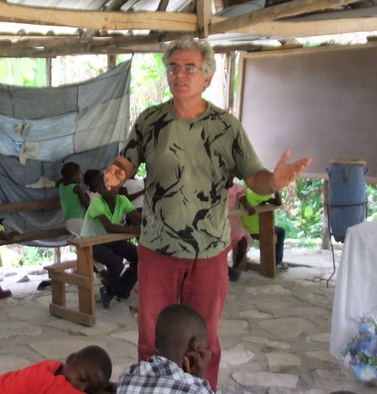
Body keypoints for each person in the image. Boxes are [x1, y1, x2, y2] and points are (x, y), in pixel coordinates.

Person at [103, 38, 311, 390]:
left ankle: (201, 389)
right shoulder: (150, 120)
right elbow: (128, 159)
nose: (179, 74)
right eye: (173, 67)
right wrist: (118, 171)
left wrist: (273, 180)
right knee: (152, 335)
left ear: (207, 78)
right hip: (157, 248)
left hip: (209, 250)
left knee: (204, 339)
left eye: (189, 68)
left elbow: (254, 177)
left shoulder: (226, 127)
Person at [117, 304, 213, 394]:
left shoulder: (128, 375)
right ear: (195, 345)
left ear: (155, 343)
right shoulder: (197, 390)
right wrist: (200, 378)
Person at [79, 176, 141, 309]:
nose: (111, 190)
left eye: (114, 186)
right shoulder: (97, 203)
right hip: (90, 243)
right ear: (100, 190)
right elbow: (110, 227)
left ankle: (119, 289)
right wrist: (136, 229)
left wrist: (149, 225)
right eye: (107, 187)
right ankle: (110, 289)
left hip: (110, 239)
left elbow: (137, 217)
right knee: (116, 263)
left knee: (140, 257)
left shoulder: (122, 200)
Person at [0, 344, 112, 394]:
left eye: (89, 390)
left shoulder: (53, 366)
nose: (80, 388)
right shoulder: (47, 380)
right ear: (70, 359)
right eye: (82, 378)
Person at [241, 188, 288, 271]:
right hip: (256, 229)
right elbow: (278, 202)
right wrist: (276, 190)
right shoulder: (258, 193)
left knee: (273, 228)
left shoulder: (247, 191)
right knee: (281, 232)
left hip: (243, 227)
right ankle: (277, 262)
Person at [226, 177, 254, 282]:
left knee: (243, 243)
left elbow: (243, 199)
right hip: (219, 222)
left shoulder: (238, 188)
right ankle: (227, 270)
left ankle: (235, 268)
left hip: (234, 222)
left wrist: (248, 206)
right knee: (220, 250)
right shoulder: (215, 187)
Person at [58, 161, 90, 237]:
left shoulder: (61, 186)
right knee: (90, 237)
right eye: (79, 174)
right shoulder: (76, 188)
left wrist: (66, 177)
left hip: (68, 222)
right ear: (73, 176)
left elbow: (58, 182)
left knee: (84, 238)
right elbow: (86, 205)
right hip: (76, 221)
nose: (81, 176)